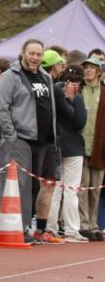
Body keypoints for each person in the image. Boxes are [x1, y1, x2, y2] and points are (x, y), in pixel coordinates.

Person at [0, 38, 61, 244]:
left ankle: (25, 227)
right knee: (20, 186)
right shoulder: (10, 76)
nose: (35, 58)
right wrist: (11, 136)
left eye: (39, 54)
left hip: (43, 141)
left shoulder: (45, 76)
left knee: (33, 187)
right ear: (23, 53)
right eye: (32, 53)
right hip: (21, 139)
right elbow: (1, 108)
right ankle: (17, 228)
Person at [47, 61, 88, 242]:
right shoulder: (60, 92)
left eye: (77, 81)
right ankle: (58, 228)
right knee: (59, 190)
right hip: (61, 146)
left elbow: (79, 122)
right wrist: (70, 99)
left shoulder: (73, 95)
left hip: (69, 147)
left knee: (66, 191)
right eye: (71, 79)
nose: (74, 84)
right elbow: (76, 119)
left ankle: (63, 229)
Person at [79, 56, 104, 241]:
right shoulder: (78, 90)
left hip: (99, 148)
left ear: (99, 72)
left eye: (91, 68)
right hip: (80, 146)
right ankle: (83, 224)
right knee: (82, 187)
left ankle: (94, 224)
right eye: (85, 67)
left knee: (95, 189)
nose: (88, 70)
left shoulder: (103, 92)